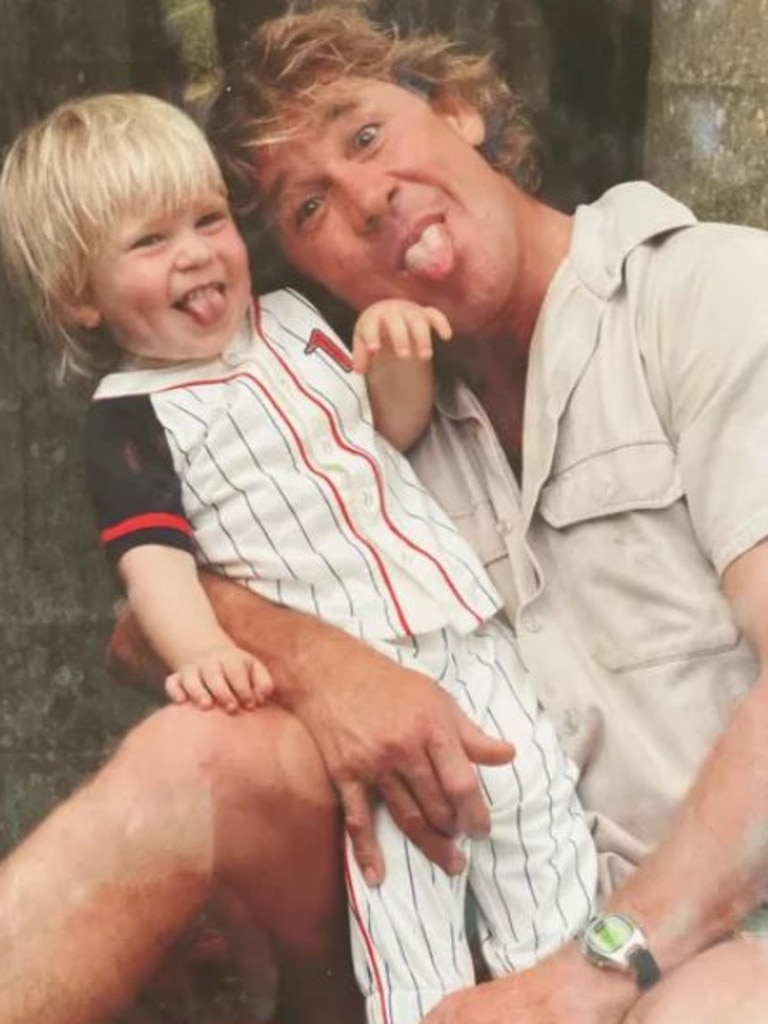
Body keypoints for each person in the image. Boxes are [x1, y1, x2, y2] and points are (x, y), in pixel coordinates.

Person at [1, 6, 768, 1024]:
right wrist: (333, 672)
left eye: (366, 135)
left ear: (460, 110)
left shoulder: (706, 294)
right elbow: (149, 624)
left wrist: (582, 978)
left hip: (707, 928)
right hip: (453, 896)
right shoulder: (360, 404)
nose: (364, 200)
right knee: (190, 758)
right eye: (306, 206)